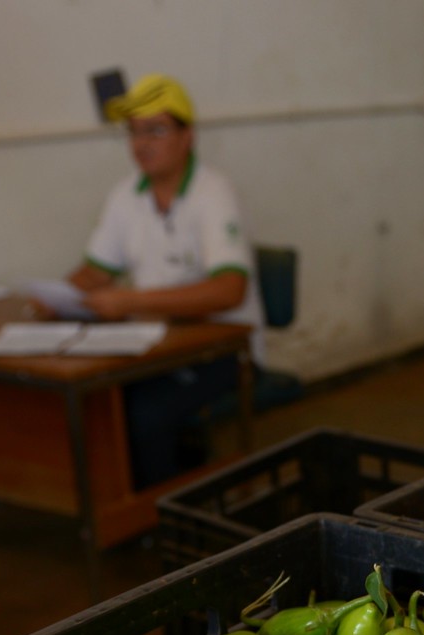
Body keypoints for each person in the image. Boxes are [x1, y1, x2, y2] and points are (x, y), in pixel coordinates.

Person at [67, 74, 264, 491]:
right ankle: (121, 513)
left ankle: (164, 517)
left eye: (155, 130)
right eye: (134, 133)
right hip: (153, 346)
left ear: (187, 136)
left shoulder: (213, 192)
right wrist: (53, 298)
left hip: (222, 351)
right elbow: (95, 272)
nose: (142, 144)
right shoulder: (126, 195)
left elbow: (230, 291)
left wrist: (130, 301)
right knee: (97, 404)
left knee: (142, 412)